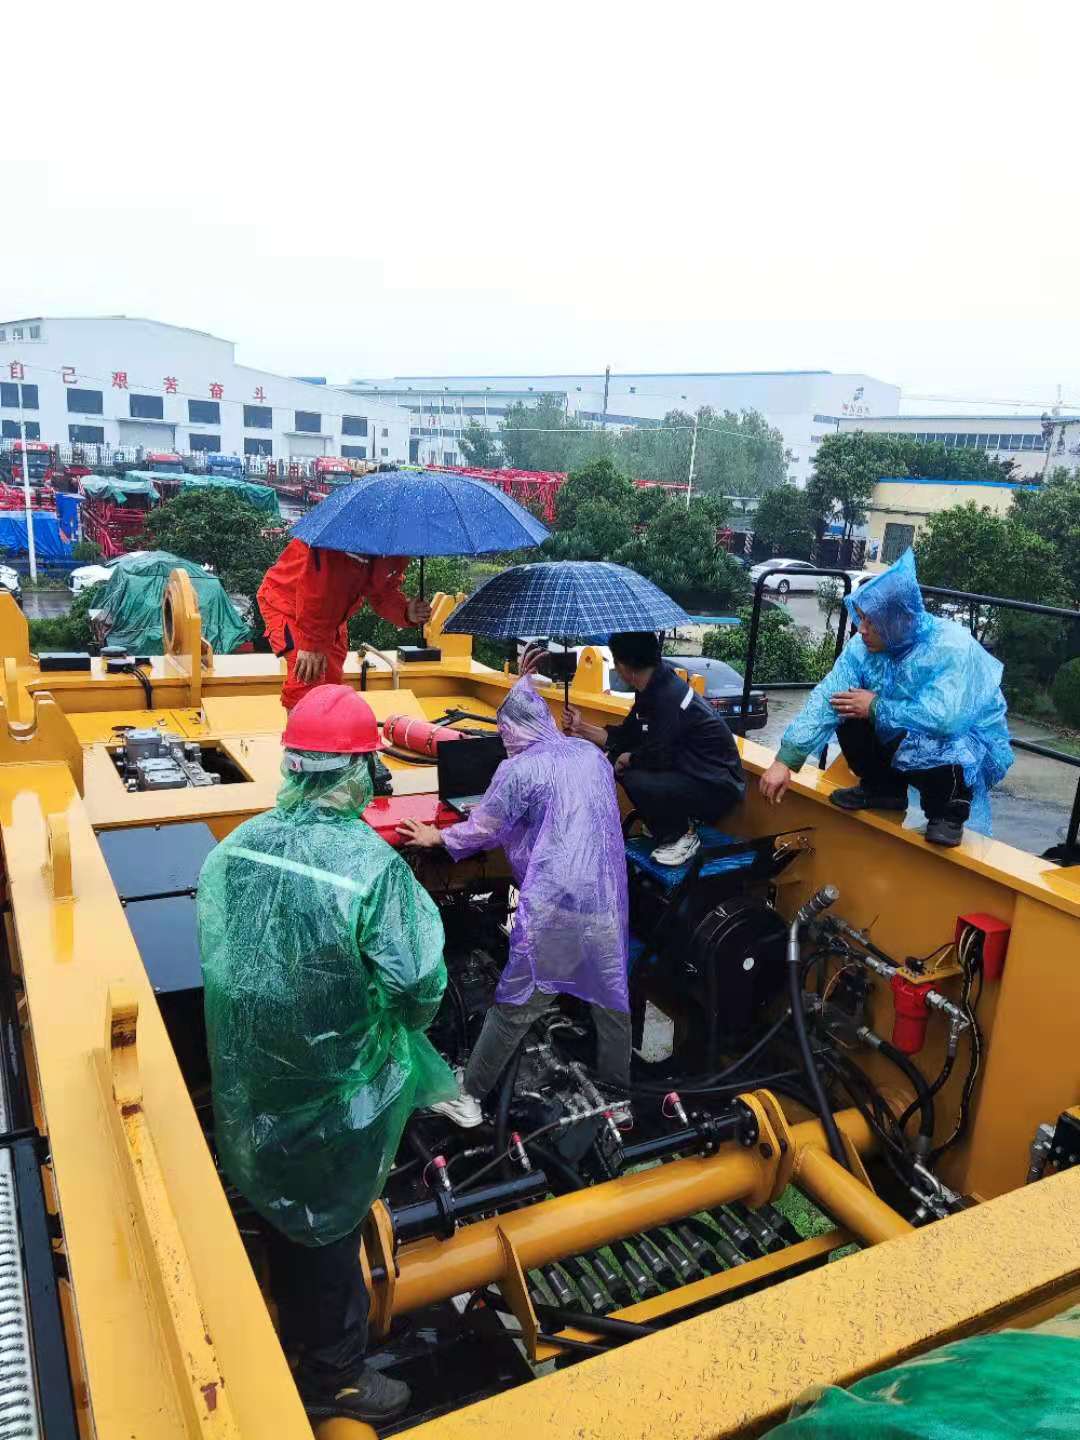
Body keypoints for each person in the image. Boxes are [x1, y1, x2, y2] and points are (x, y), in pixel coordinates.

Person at [197, 685, 455, 1424]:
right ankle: (335, 1378)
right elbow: (417, 984)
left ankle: (281, 1304)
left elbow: (228, 958)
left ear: (292, 765)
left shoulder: (235, 849)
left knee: (277, 1196)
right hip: (337, 1085)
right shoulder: (372, 869)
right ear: (360, 771)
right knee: (326, 1223)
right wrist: (392, 1032)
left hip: (256, 1075)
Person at [398, 673, 630, 1127]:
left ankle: (469, 1096)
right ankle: (618, 1102)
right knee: (611, 1002)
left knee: (515, 1005)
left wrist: (436, 837)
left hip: (556, 904)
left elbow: (483, 828)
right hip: (606, 898)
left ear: (512, 730)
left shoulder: (518, 770)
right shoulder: (591, 754)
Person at [759, 550, 1013, 846]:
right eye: (861, 618)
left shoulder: (951, 647)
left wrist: (876, 706)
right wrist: (786, 760)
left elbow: (947, 720)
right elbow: (828, 697)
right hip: (906, 730)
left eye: (871, 622)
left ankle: (948, 811)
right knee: (846, 704)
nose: (862, 629)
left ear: (899, 620)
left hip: (964, 743)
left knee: (941, 739)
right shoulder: (863, 648)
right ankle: (883, 789)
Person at [564, 631, 746, 866]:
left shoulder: (669, 696)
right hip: (690, 771)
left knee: (633, 775)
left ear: (625, 666)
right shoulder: (650, 688)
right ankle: (664, 822)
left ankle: (681, 835)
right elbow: (626, 736)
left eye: (616, 662)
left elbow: (661, 755)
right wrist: (580, 728)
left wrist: (628, 758)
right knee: (616, 761)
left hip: (717, 784)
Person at [257, 539, 432, 709]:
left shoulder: (397, 544)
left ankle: (324, 727)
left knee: (331, 686)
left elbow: (382, 592)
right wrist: (310, 644)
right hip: (287, 602)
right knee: (308, 681)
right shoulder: (340, 536)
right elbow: (317, 586)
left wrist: (405, 611)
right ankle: (301, 729)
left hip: (330, 613)